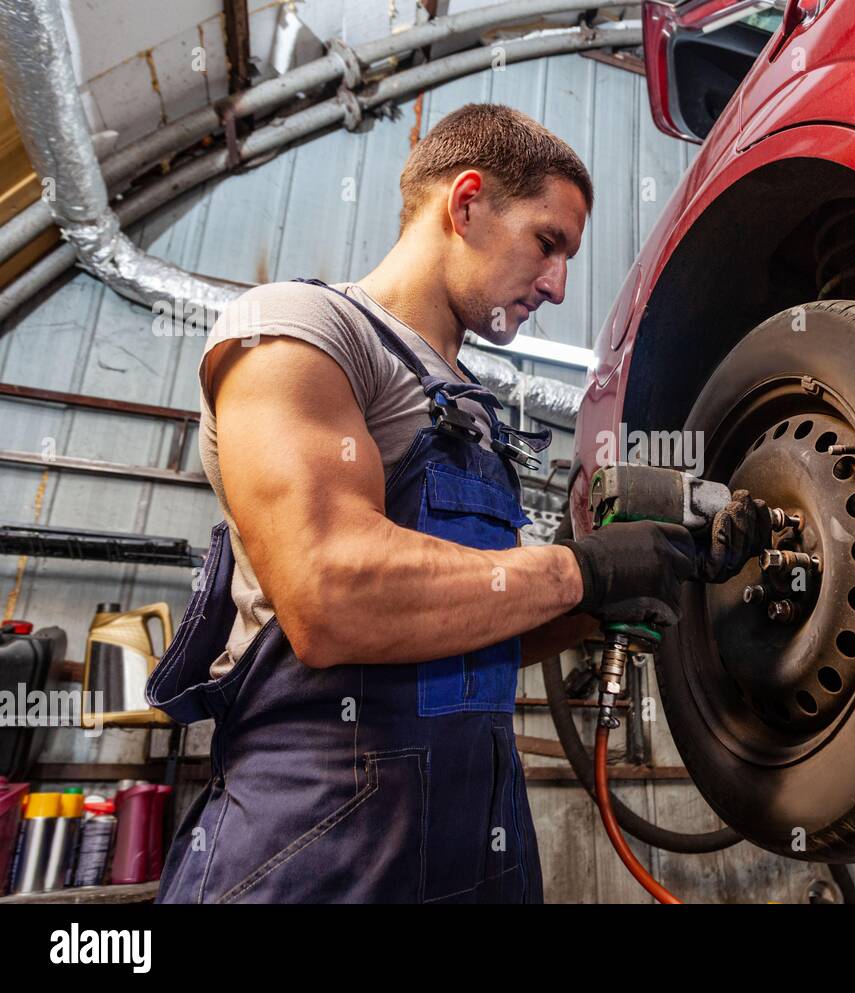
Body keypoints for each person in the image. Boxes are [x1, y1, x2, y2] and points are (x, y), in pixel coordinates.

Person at [145, 103, 767, 903]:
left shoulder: (472, 409)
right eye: (549, 243)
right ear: (466, 203)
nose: (558, 284)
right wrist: (580, 570)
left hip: (483, 846)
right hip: (319, 846)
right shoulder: (299, 333)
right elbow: (330, 590)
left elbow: (470, 629)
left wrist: (616, 594)